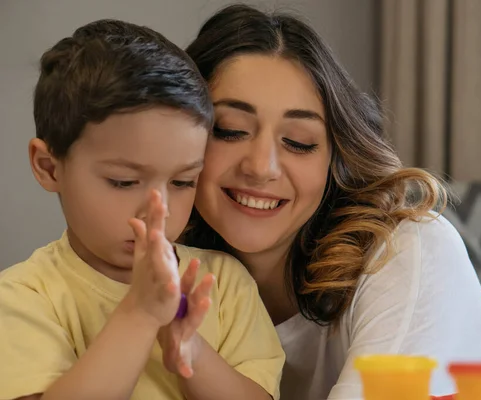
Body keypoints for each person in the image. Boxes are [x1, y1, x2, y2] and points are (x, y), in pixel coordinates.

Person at [184, 4, 481, 399]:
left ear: (335, 157)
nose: (261, 167)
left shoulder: (405, 250)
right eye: (230, 130)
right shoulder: (157, 268)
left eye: (299, 142)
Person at [0, 19, 284, 400]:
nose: (159, 211)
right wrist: (140, 313)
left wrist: (190, 350)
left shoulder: (223, 284)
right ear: (49, 167)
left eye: (183, 182)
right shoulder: (25, 296)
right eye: (123, 181)